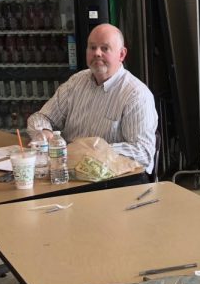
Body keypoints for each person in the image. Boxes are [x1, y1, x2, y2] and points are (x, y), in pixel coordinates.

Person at [27, 24, 158, 176]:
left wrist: (93, 151)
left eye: (105, 48)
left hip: (113, 180)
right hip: (68, 172)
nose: (97, 53)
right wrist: (44, 132)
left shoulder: (136, 95)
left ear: (121, 54)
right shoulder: (76, 82)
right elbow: (41, 117)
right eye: (92, 47)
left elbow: (143, 152)